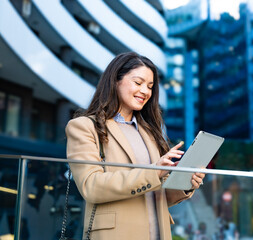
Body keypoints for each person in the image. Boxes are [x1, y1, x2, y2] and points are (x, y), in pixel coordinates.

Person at [65, 52, 205, 239]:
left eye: (150, 86)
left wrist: (185, 184)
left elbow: (154, 195)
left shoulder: (151, 133)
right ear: (115, 81)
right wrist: (154, 172)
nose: (145, 91)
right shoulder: (84, 127)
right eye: (138, 83)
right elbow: (91, 187)